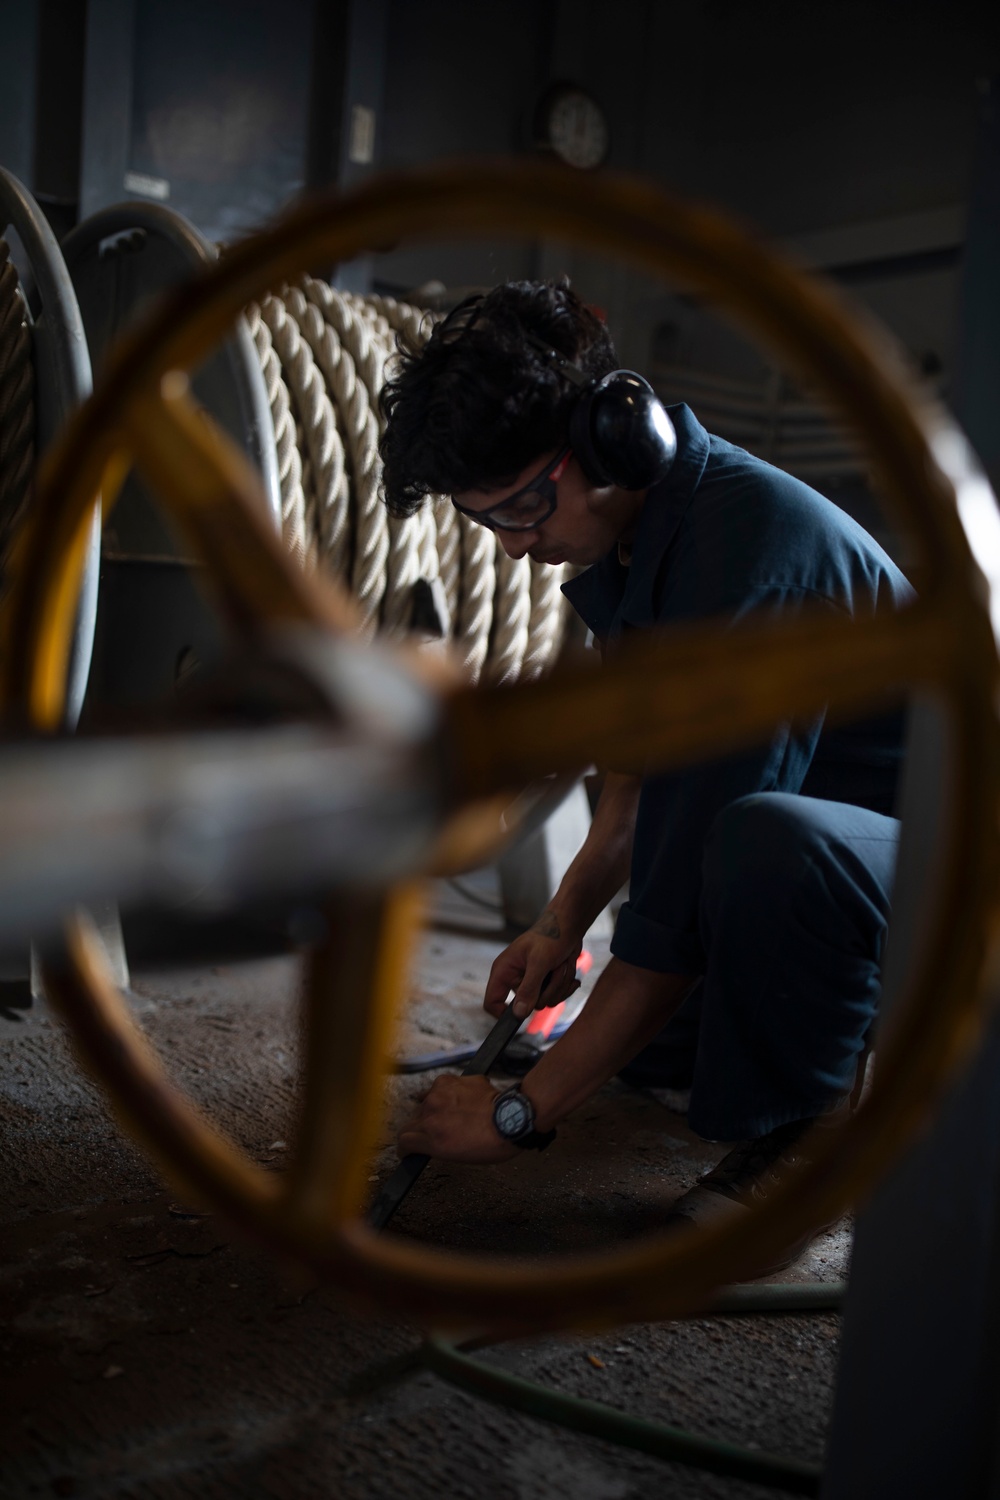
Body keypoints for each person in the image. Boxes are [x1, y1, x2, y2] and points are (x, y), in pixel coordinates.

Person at [378, 277, 913, 1244]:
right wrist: (559, 924)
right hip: (823, 850)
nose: (512, 548)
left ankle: (819, 1131)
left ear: (612, 442)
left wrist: (518, 1115)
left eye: (523, 509)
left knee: (764, 842)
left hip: (943, 868)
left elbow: (681, 889)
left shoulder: (747, 559)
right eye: (487, 521)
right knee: (655, 1063)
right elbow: (630, 790)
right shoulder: (641, 548)